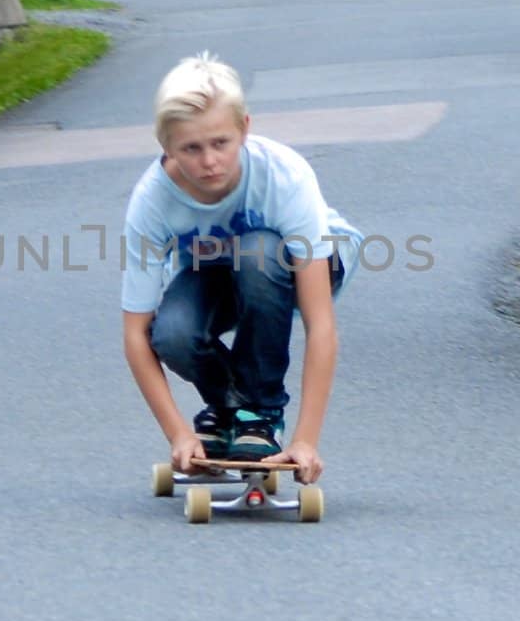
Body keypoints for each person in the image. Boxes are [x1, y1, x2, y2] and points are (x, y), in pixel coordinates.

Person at [120, 53, 361, 484]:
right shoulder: (151, 201)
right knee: (172, 332)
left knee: (259, 251)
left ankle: (261, 412)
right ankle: (232, 411)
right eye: (190, 149)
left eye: (220, 143)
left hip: (310, 262)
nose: (209, 162)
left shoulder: (283, 176)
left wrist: (306, 440)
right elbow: (136, 335)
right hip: (221, 268)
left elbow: (321, 325)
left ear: (244, 129)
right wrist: (177, 433)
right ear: (167, 147)